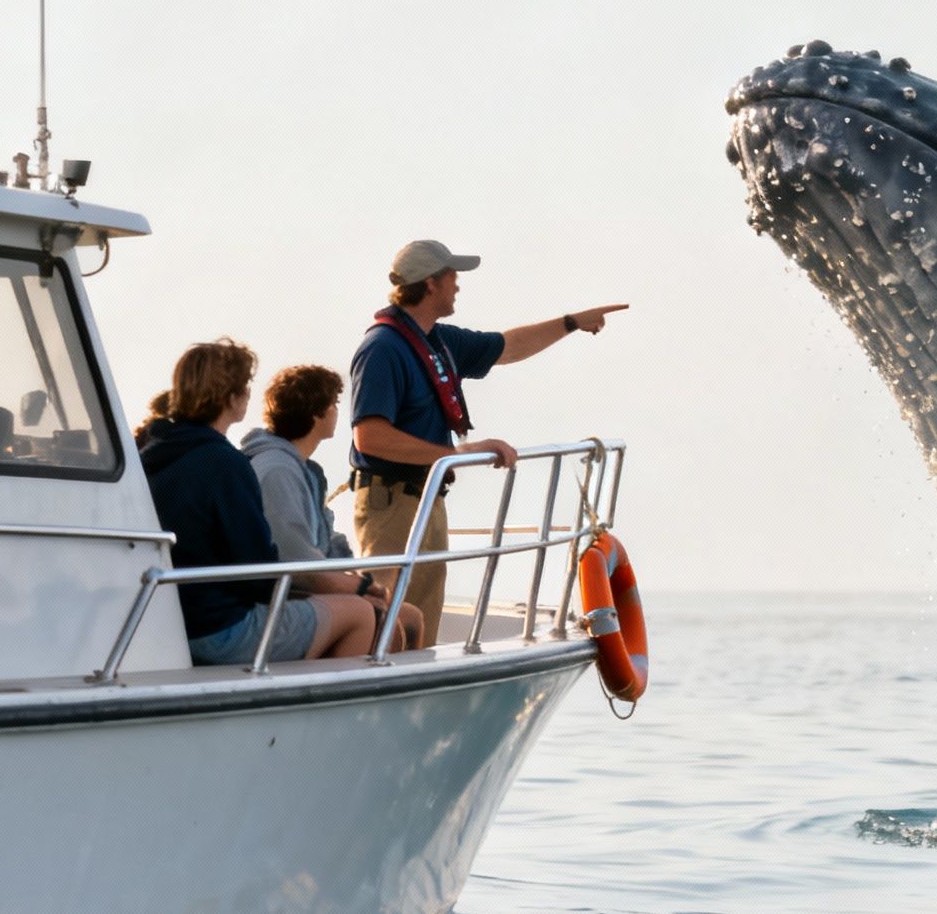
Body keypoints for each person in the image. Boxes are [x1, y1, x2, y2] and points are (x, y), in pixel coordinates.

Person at [348, 239, 627, 647]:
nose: (457, 285)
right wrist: (454, 455)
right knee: (386, 616)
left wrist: (570, 322)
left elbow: (508, 347)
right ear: (430, 284)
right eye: (451, 276)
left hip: (426, 498)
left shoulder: (438, 340)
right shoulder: (382, 348)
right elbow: (370, 437)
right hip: (390, 503)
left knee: (421, 619)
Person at [137, 339, 378, 666]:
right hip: (220, 629)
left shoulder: (153, 456)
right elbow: (258, 572)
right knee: (360, 614)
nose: (249, 394)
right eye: (245, 386)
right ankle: (314, 714)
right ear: (231, 397)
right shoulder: (224, 463)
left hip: (170, 620)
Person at [241, 364, 424, 650]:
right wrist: (357, 590)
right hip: (285, 591)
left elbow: (327, 539)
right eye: (335, 403)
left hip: (309, 584)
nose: (339, 411)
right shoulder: (277, 470)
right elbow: (293, 555)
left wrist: (356, 578)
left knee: (411, 617)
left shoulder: (305, 470)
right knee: (387, 622)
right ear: (317, 412)